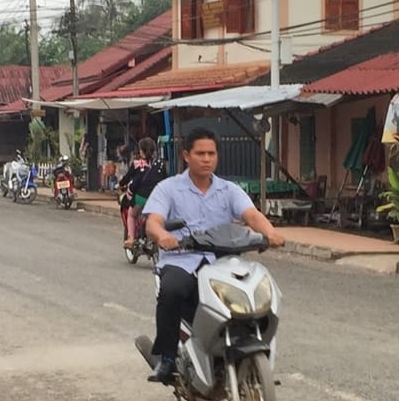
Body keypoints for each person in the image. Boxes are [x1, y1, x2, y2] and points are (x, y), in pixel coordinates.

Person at [143, 126, 284, 384]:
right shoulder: (168, 188)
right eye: (200, 153)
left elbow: (251, 215)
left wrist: (270, 233)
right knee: (171, 291)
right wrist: (162, 235)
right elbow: (153, 221)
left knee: (254, 292)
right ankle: (167, 356)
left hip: (222, 262)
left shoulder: (228, 190)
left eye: (211, 153)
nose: (206, 159)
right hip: (182, 260)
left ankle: (250, 348)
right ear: (186, 155)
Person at [118, 136, 162, 243]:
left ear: (141, 150)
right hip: (157, 197)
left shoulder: (137, 164)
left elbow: (127, 178)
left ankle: (131, 239)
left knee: (132, 215)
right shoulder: (160, 164)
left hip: (141, 198)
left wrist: (120, 184)